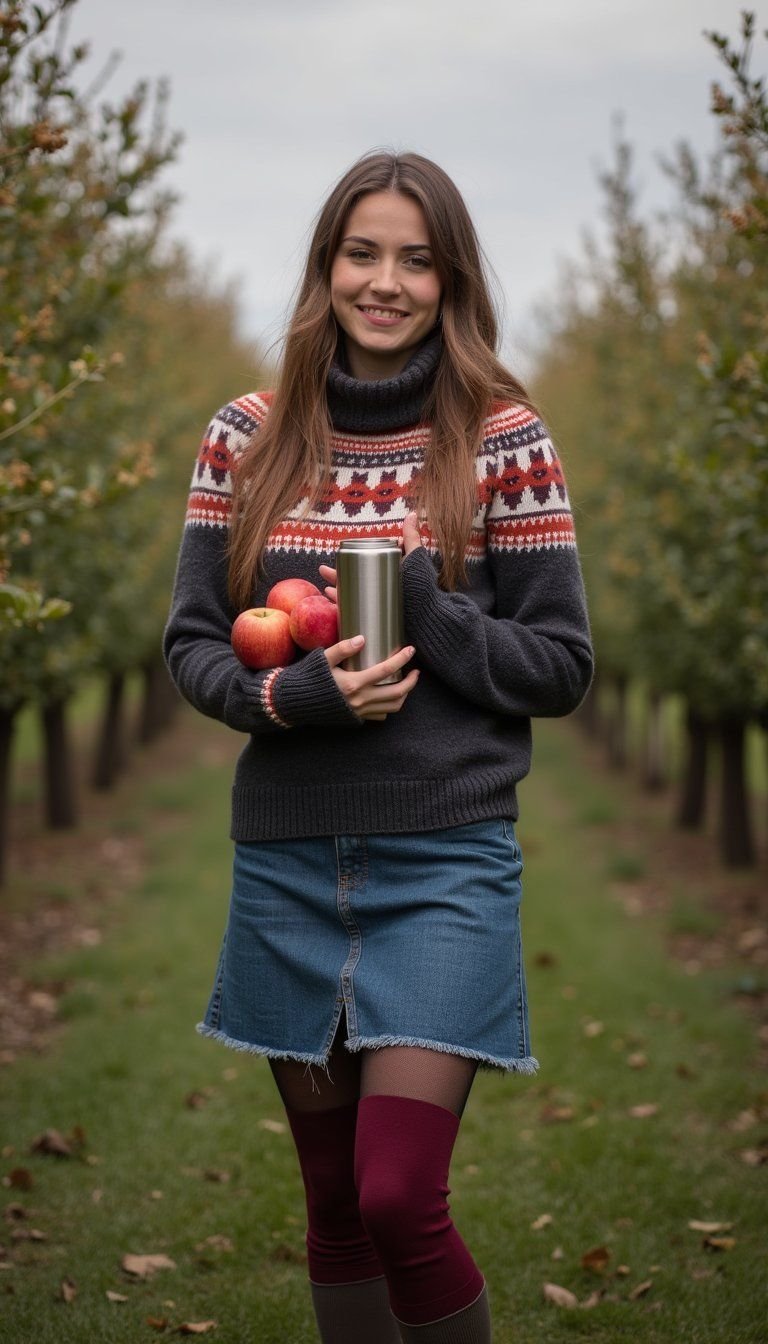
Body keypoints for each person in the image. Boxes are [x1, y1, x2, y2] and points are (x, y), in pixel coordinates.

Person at [163, 150, 593, 1344]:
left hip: (445, 860)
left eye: (416, 258)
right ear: (326, 266)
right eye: (364, 253)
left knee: (401, 1196)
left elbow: (559, 666)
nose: (386, 281)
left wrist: (423, 597)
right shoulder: (244, 438)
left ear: (450, 280)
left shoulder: (504, 439)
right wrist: (294, 698)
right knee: (335, 1203)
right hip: (290, 858)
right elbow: (195, 645)